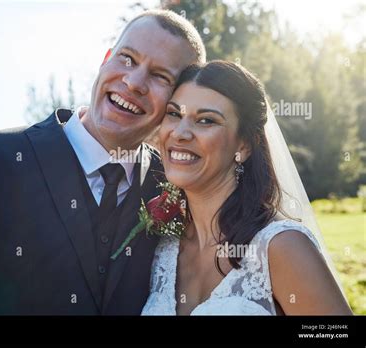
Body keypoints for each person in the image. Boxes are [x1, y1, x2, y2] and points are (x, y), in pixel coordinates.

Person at [0, 10, 206, 315]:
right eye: (127, 58)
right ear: (106, 58)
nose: (134, 82)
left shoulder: (175, 186)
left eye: (160, 76)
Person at [141, 61, 353, 315]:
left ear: (243, 146)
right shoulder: (164, 248)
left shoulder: (281, 247)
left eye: (206, 120)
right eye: (174, 114)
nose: (180, 133)